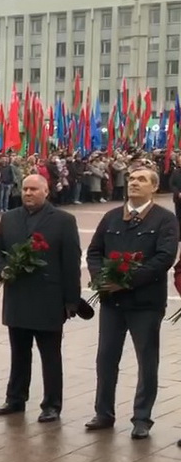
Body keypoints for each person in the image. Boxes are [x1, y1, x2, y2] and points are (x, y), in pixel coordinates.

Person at [86, 166, 177, 440]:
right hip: (112, 302)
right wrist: (100, 277)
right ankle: (104, 413)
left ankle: (141, 418)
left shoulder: (165, 220)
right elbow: (94, 252)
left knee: (146, 360)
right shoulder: (112, 216)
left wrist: (126, 281)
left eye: (141, 180)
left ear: (154, 187)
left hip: (145, 303)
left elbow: (164, 259)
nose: (134, 183)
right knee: (106, 358)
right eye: (132, 179)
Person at [0, 174, 84, 424]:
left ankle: (52, 404)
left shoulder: (63, 220)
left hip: (48, 299)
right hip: (18, 296)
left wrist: (71, 300)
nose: (28, 193)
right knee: (19, 352)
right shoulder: (10, 218)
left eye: (34, 189)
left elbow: (71, 262)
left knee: (50, 355)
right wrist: (3, 270)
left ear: (46, 191)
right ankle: (15, 398)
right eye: (25, 189)